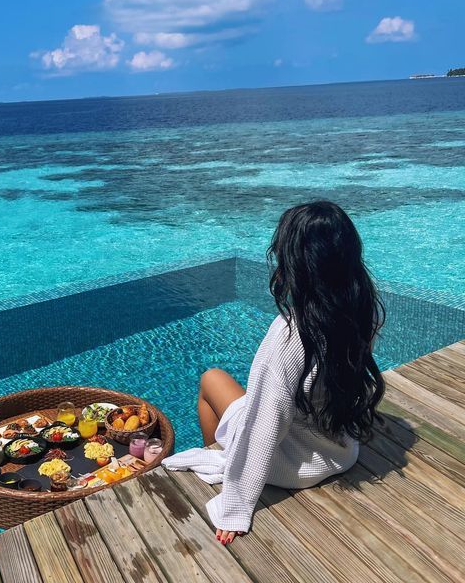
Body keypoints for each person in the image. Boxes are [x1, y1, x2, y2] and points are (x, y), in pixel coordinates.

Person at [162, 201, 385, 545]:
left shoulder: (291, 334)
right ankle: (220, 448)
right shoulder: (361, 310)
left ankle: (216, 449)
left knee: (211, 379)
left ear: (297, 266)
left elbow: (266, 423)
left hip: (293, 465)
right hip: (340, 453)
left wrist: (235, 506)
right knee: (253, 394)